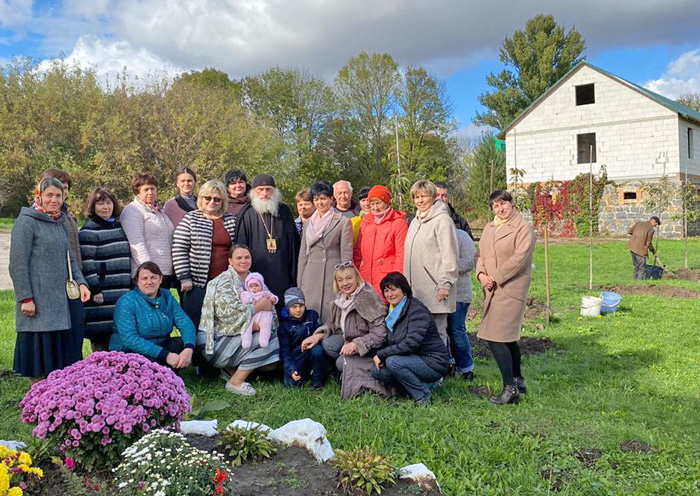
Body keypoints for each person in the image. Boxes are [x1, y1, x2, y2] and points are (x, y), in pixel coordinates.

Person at [10, 177, 91, 382]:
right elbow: (17, 264)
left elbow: (69, 258)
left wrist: (81, 282)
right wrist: (25, 298)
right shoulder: (26, 222)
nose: (54, 200)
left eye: (58, 195)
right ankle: (36, 405)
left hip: (60, 305)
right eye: (49, 195)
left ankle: (54, 405)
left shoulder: (58, 221)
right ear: (39, 196)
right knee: (38, 363)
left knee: (57, 362)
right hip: (38, 304)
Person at [476, 190, 536, 405]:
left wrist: (496, 276)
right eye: (495, 206)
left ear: (512, 204)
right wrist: (482, 274)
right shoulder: (490, 227)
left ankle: (510, 388)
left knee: (495, 337)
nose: (500, 209)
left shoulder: (523, 228)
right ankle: (518, 380)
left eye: (503, 204)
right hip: (491, 286)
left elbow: (520, 259)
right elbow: (481, 254)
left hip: (510, 287)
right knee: (507, 337)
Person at [300, 263, 393, 399]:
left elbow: (380, 334)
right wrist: (318, 335)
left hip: (370, 349)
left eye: (349, 278)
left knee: (340, 361)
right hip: (348, 340)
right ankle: (342, 369)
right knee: (327, 344)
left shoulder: (367, 299)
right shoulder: (341, 298)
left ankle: (358, 371)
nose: (345, 283)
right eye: (340, 280)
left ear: (357, 277)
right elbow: (332, 323)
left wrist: (357, 344)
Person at [198, 245, 280, 395]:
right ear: (230, 261)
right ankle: (236, 382)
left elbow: (270, 307)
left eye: (247, 257)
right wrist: (257, 310)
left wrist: (263, 318)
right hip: (215, 340)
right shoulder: (223, 281)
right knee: (273, 344)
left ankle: (230, 370)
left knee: (273, 343)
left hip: (239, 336)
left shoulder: (256, 280)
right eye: (239, 258)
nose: (244, 261)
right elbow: (228, 315)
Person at [371, 272, 449, 405]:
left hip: (432, 361)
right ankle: (424, 386)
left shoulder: (416, 310)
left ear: (404, 289)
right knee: (377, 371)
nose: (390, 294)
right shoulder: (391, 312)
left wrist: (382, 354)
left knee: (393, 362)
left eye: (394, 289)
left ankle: (423, 396)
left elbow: (411, 343)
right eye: (386, 291)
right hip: (410, 358)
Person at [172, 179, 236, 329]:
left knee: (224, 324)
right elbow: (179, 248)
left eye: (217, 199)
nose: (212, 201)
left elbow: (237, 250)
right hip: (197, 284)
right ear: (201, 198)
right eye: (208, 198)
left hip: (225, 284)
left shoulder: (231, 220)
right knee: (196, 325)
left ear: (223, 201)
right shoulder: (191, 218)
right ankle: (193, 353)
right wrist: (185, 277)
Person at [38, 169, 86, 360]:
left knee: (75, 330)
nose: (61, 193)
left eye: (64, 189)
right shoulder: (41, 217)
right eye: (55, 189)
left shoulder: (68, 217)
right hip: (53, 284)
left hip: (74, 280)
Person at [403, 180, 458, 344]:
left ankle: (442, 366)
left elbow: (449, 254)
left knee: (436, 333)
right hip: (416, 290)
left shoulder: (443, 221)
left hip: (435, 289)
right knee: (420, 334)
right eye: (416, 197)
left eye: (424, 196)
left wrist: (445, 284)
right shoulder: (414, 221)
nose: (420, 200)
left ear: (433, 197)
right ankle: (426, 368)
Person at [111, 261, 195, 369]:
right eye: (144, 278)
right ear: (137, 281)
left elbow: (185, 322)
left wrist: (188, 348)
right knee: (151, 363)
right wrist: (165, 355)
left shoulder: (167, 296)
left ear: (160, 279)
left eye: (153, 277)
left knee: (185, 342)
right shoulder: (126, 301)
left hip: (161, 346)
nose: (149, 282)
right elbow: (130, 339)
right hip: (130, 351)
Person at [236, 174, 300, 311]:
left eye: (268, 189)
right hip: (256, 273)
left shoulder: (284, 211)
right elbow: (241, 247)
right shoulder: (246, 214)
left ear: (275, 191)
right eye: (260, 189)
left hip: (282, 272)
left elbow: (294, 245)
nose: (264, 193)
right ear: (253, 192)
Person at [79, 188, 132, 352]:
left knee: (119, 336)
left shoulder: (118, 226)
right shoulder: (89, 231)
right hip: (102, 293)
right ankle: (98, 374)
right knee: (101, 337)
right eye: (100, 203)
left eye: (108, 203)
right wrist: (95, 289)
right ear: (92, 206)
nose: (105, 207)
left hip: (121, 291)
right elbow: (87, 263)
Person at [298, 181, 353, 321]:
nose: (320, 203)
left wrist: (346, 281)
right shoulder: (308, 223)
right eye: (316, 199)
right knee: (310, 318)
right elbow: (303, 254)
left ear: (331, 199)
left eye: (323, 198)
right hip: (310, 276)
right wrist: (300, 281)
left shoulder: (342, 222)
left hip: (332, 276)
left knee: (330, 318)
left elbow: (346, 256)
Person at [121, 173, 176, 288]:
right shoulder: (133, 210)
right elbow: (137, 243)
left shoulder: (160, 211)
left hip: (164, 272)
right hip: (147, 276)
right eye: (146, 189)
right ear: (137, 191)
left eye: (153, 189)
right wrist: (149, 271)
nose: (150, 192)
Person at [353, 185, 407, 297]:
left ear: (386, 202)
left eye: (379, 203)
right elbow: (358, 251)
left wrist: (395, 280)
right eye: (372, 204)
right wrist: (355, 273)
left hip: (387, 279)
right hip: (365, 277)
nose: (375, 207)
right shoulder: (366, 222)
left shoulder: (398, 223)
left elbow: (401, 254)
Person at [277, 287, 327, 388]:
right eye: (294, 307)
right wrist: (291, 370)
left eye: (301, 306)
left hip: (313, 352)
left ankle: (317, 383)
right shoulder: (284, 326)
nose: (298, 310)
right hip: (296, 357)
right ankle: (303, 374)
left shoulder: (312, 316)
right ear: (287, 307)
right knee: (292, 384)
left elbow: (321, 335)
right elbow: (285, 352)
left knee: (318, 351)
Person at [446, 229, 477, 381]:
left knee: (456, 330)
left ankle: (466, 367)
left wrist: (445, 267)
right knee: (442, 331)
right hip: (436, 294)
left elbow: (469, 262)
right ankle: (449, 364)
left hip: (459, 293)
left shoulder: (461, 236)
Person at [240, 272, 279, 349]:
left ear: (261, 285)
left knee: (266, 326)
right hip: (252, 315)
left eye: (256, 285)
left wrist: (273, 299)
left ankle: (264, 340)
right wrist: (251, 299)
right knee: (247, 327)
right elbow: (243, 299)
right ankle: (246, 341)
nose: (254, 288)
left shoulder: (265, 292)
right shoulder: (247, 294)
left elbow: (274, 297)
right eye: (251, 286)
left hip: (264, 315)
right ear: (248, 287)